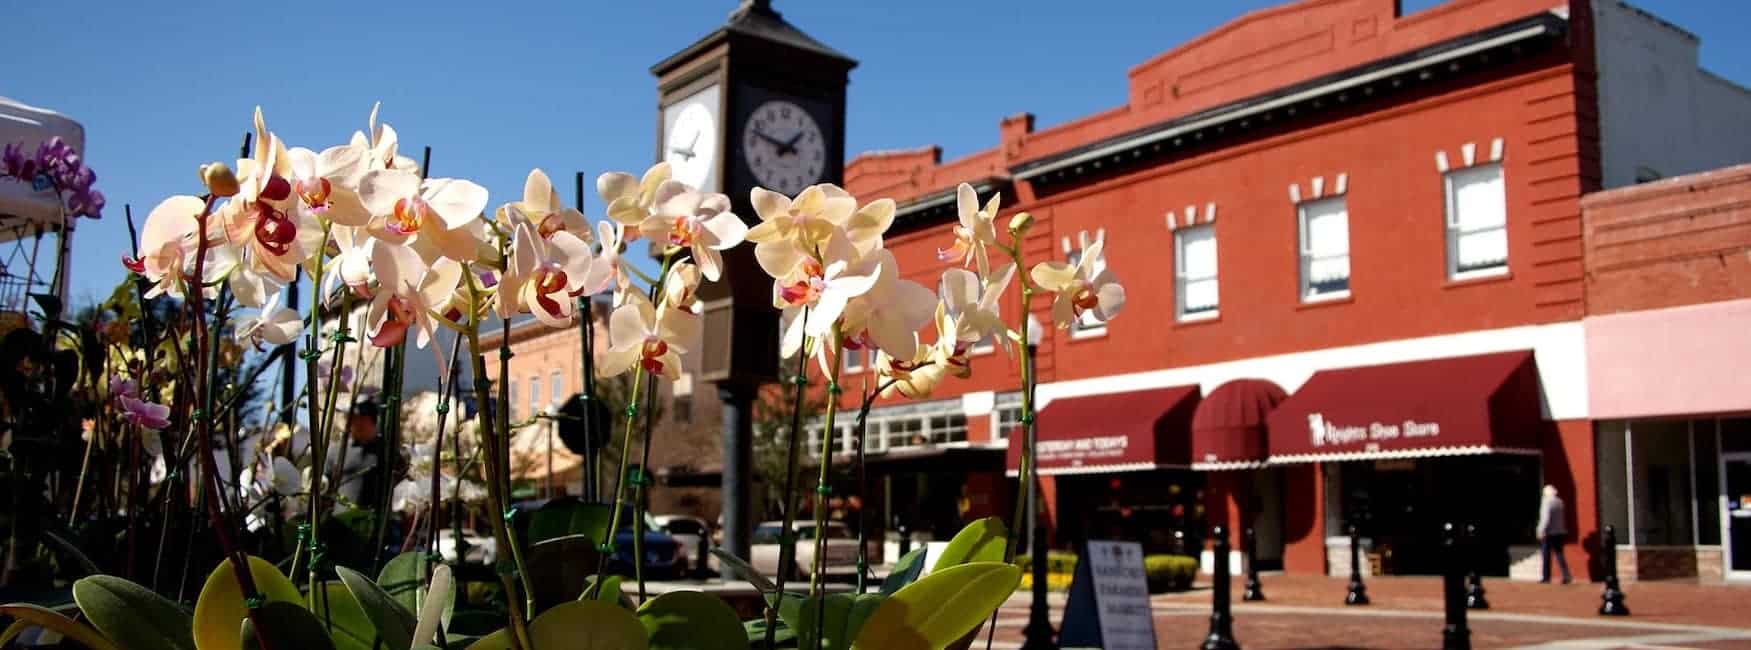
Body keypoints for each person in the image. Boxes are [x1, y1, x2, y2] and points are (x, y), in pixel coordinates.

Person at [1537, 484, 1573, 584]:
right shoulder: (1559, 502)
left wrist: (1541, 530)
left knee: (1546, 555)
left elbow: (1545, 518)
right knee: (1559, 554)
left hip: (1549, 533)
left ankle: (1546, 577)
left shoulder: (1547, 502)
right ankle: (1566, 575)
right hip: (1559, 532)